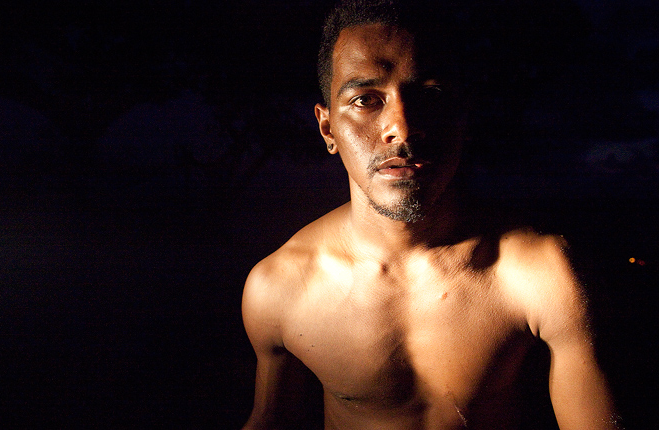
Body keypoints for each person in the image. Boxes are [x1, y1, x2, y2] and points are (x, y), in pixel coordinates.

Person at [241, 1, 621, 428]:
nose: (401, 127)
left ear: (462, 115)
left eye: (430, 94)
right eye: (366, 100)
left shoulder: (543, 273)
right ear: (328, 129)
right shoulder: (280, 287)